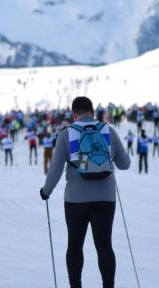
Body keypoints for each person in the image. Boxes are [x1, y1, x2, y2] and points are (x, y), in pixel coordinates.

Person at [40, 96, 130, 288]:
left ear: (74, 114)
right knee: (104, 245)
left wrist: (46, 191)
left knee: (75, 245)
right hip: (106, 197)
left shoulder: (67, 133)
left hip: (76, 199)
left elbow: (55, 169)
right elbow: (125, 164)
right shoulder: (107, 130)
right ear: (93, 112)